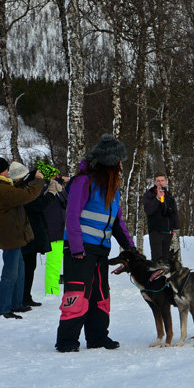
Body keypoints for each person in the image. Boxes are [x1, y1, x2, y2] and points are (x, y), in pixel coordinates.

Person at [55, 135, 135, 352]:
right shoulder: (83, 181)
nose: (121, 165)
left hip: (101, 249)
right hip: (80, 249)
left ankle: (98, 337)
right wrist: (76, 246)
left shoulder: (113, 189)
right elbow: (71, 216)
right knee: (78, 294)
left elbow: (117, 223)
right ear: (110, 162)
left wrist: (131, 249)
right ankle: (67, 340)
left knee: (101, 295)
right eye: (119, 161)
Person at [0, 154, 45, 319]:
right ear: (1, 171)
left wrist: (29, 177)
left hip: (13, 233)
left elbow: (16, 191)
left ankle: (16, 303)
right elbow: (25, 195)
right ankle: (2, 308)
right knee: (10, 273)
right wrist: (38, 181)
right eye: (7, 169)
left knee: (20, 270)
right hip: (10, 235)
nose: (9, 172)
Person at [16, 162, 65, 307]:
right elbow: (40, 205)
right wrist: (50, 192)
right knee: (27, 266)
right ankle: (22, 297)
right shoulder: (26, 191)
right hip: (30, 233)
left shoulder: (27, 188)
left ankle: (25, 296)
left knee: (30, 266)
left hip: (35, 232)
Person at [42, 172, 69, 296]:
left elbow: (67, 203)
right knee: (54, 263)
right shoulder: (47, 190)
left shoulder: (59, 191)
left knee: (60, 261)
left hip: (63, 231)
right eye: (55, 176)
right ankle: (51, 290)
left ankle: (54, 288)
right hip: (54, 232)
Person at [142, 173, 180, 260]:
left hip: (168, 232)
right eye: (158, 181)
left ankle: (164, 274)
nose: (160, 183)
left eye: (162, 180)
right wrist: (157, 198)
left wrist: (176, 227)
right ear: (154, 182)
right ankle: (155, 273)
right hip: (156, 231)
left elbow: (174, 212)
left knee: (166, 260)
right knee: (157, 260)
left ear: (166, 181)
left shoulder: (169, 196)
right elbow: (148, 210)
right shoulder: (149, 194)